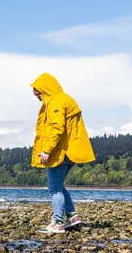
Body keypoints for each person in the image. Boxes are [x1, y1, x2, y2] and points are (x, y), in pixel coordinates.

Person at [30, 73, 95, 233]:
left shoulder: (56, 102)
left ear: (44, 89)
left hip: (61, 152)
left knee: (54, 188)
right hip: (70, 150)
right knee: (58, 185)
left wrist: (46, 150)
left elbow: (57, 129)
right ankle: (72, 216)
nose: (37, 96)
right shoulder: (65, 99)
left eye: (38, 92)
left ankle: (58, 222)